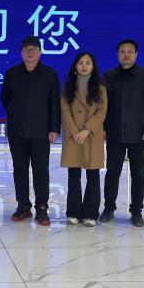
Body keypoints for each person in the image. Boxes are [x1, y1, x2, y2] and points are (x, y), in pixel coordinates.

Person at [1, 36, 60, 226]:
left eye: (34, 48)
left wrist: (54, 128)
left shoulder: (50, 74)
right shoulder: (12, 73)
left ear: (40, 52)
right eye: (26, 48)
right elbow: (6, 99)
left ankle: (42, 208)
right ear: (21, 53)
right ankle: (23, 205)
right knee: (19, 169)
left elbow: (54, 103)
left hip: (41, 131)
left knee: (41, 170)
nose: (30, 52)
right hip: (17, 130)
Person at [101, 39, 144, 227]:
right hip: (114, 133)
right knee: (112, 173)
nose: (126, 55)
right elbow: (103, 106)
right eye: (122, 52)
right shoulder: (109, 76)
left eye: (129, 52)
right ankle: (109, 208)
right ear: (117, 54)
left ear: (136, 54)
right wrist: (103, 128)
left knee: (138, 174)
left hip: (139, 134)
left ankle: (136, 212)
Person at [60, 51, 107, 227]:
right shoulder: (67, 87)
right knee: (73, 176)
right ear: (75, 67)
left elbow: (102, 111)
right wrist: (74, 132)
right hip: (73, 136)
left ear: (93, 67)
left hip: (91, 135)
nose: (84, 66)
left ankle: (90, 213)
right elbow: (65, 110)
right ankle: (73, 212)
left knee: (93, 176)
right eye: (80, 63)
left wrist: (86, 130)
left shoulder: (100, 88)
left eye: (88, 63)